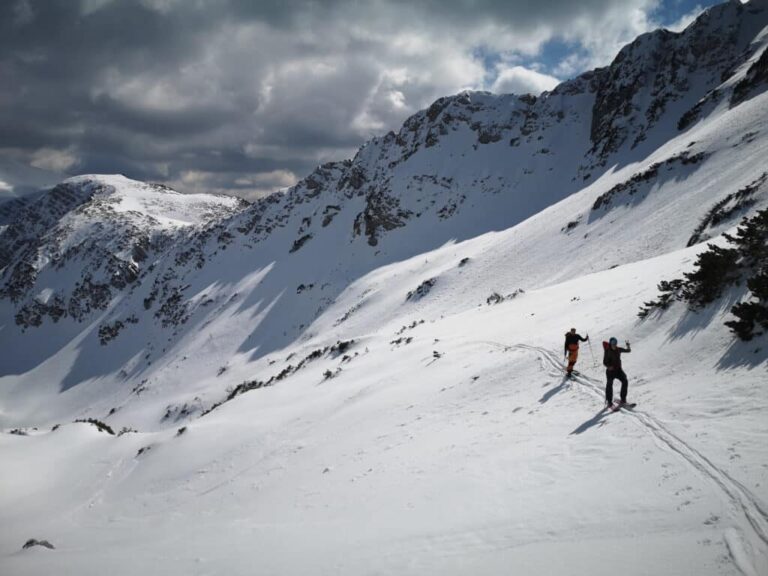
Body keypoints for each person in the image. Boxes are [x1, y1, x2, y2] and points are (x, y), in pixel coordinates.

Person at [602, 337, 631, 407]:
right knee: (609, 385)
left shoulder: (618, 349)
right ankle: (609, 402)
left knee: (625, 380)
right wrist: (609, 366)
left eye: (615, 342)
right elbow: (604, 362)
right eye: (612, 342)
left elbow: (628, 350)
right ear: (610, 343)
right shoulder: (607, 351)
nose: (614, 344)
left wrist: (628, 345)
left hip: (618, 370)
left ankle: (623, 399)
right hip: (610, 371)